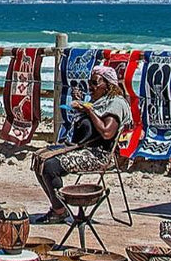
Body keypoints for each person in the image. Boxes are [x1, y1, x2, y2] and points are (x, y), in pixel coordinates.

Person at [32, 64, 130, 222]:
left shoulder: (115, 104)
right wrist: (81, 104)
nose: (91, 87)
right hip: (83, 148)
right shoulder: (100, 101)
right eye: (90, 83)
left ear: (108, 86)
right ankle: (59, 206)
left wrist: (89, 110)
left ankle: (59, 210)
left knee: (49, 165)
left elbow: (106, 132)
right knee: (39, 158)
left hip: (99, 155)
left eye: (95, 83)